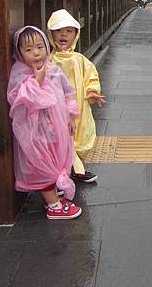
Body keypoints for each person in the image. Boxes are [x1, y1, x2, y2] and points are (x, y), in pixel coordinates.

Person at [7, 26, 82, 220]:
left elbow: (67, 92)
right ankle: (53, 205)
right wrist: (36, 82)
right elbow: (19, 100)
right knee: (41, 163)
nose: (36, 53)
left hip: (54, 129)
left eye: (40, 47)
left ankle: (54, 196)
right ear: (19, 53)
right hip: (36, 132)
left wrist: (71, 116)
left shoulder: (53, 69)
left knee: (56, 159)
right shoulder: (20, 73)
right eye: (29, 49)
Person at [47, 9, 106, 184]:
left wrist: (92, 91)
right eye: (58, 31)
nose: (63, 35)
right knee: (60, 135)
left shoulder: (79, 59)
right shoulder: (49, 60)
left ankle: (73, 167)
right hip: (57, 106)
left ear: (75, 35)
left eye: (69, 31)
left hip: (78, 104)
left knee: (79, 133)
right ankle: (71, 170)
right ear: (51, 35)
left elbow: (91, 76)